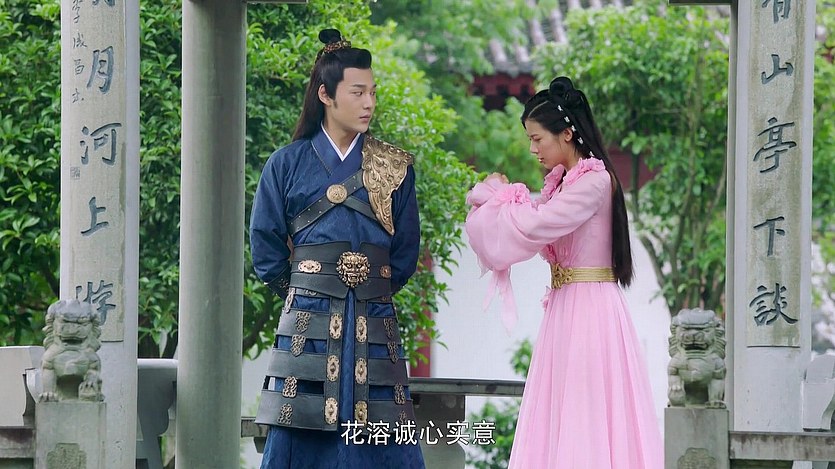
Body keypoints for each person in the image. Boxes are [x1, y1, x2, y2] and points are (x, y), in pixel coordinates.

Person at [465, 76, 663, 468]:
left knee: (585, 410)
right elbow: (534, 224)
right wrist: (503, 203)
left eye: (537, 138)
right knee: (561, 408)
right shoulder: (563, 185)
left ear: (567, 134)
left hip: (590, 310)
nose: (533, 148)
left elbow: (537, 225)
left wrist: (502, 199)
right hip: (565, 305)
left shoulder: (594, 182)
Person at [249, 28, 425, 469]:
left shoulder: (394, 167)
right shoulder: (286, 163)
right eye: (358, 92)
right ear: (326, 95)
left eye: (373, 92)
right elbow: (265, 247)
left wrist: (366, 289)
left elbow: (404, 254)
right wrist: (308, 289)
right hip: (307, 324)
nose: (369, 103)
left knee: (381, 428)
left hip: (374, 321)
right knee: (300, 428)